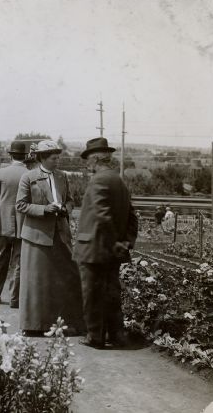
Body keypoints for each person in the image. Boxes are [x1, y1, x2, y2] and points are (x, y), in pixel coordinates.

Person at [16, 140, 86, 336]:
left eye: (58, 158)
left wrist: (66, 208)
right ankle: (34, 325)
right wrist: (44, 209)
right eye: (54, 158)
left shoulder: (62, 177)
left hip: (60, 234)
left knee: (66, 277)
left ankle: (64, 323)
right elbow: (20, 205)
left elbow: (70, 200)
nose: (58, 161)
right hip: (36, 236)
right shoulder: (28, 178)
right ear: (42, 158)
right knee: (38, 281)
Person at [73, 137, 138, 349]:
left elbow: (102, 215)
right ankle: (116, 335)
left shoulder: (98, 180)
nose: (86, 164)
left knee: (92, 294)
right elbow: (132, 215)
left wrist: (115, 242)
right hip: (111, 250)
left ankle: (95, 337)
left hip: (95, 248)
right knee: (111, 294)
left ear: (95, 159)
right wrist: (127, 241)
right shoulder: (118, 180)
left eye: (88, 160)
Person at [0, 141, 28, 308]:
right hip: (23, 224)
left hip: (3, 223)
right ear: (25, 156)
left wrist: (2, 210)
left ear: (11, 155)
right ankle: (14, 299)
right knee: (19, 262)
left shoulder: (1, 173)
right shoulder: (29, 174)